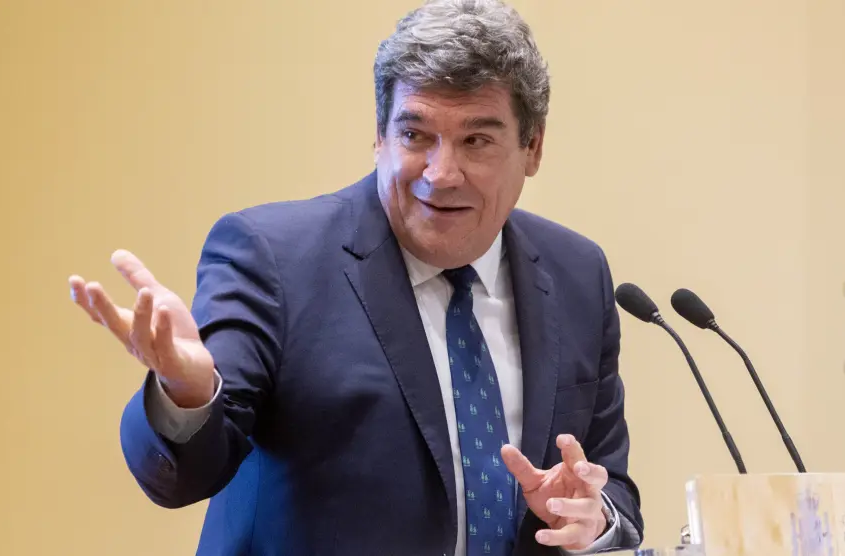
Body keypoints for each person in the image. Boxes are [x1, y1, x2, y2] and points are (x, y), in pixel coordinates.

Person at [69, 0, 644, 554]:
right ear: (379, 136)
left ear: (533, 147)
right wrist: (188, 394)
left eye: (476, 141)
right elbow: (181, 477)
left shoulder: (576, 273)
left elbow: (610, 487)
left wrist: (591, 517)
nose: (441, 173)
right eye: (415, 135)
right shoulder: (273, 258)